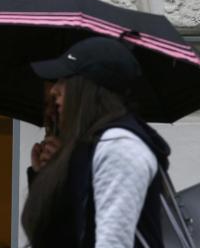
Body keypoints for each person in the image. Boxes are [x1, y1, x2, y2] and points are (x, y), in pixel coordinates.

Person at [21, 36, 170, 248]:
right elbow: (51, 237)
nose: (54, 91)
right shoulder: (90, 149)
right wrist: (49, 173)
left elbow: (113, 243)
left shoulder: (119, 146)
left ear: (86, 88)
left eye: (64, 79)